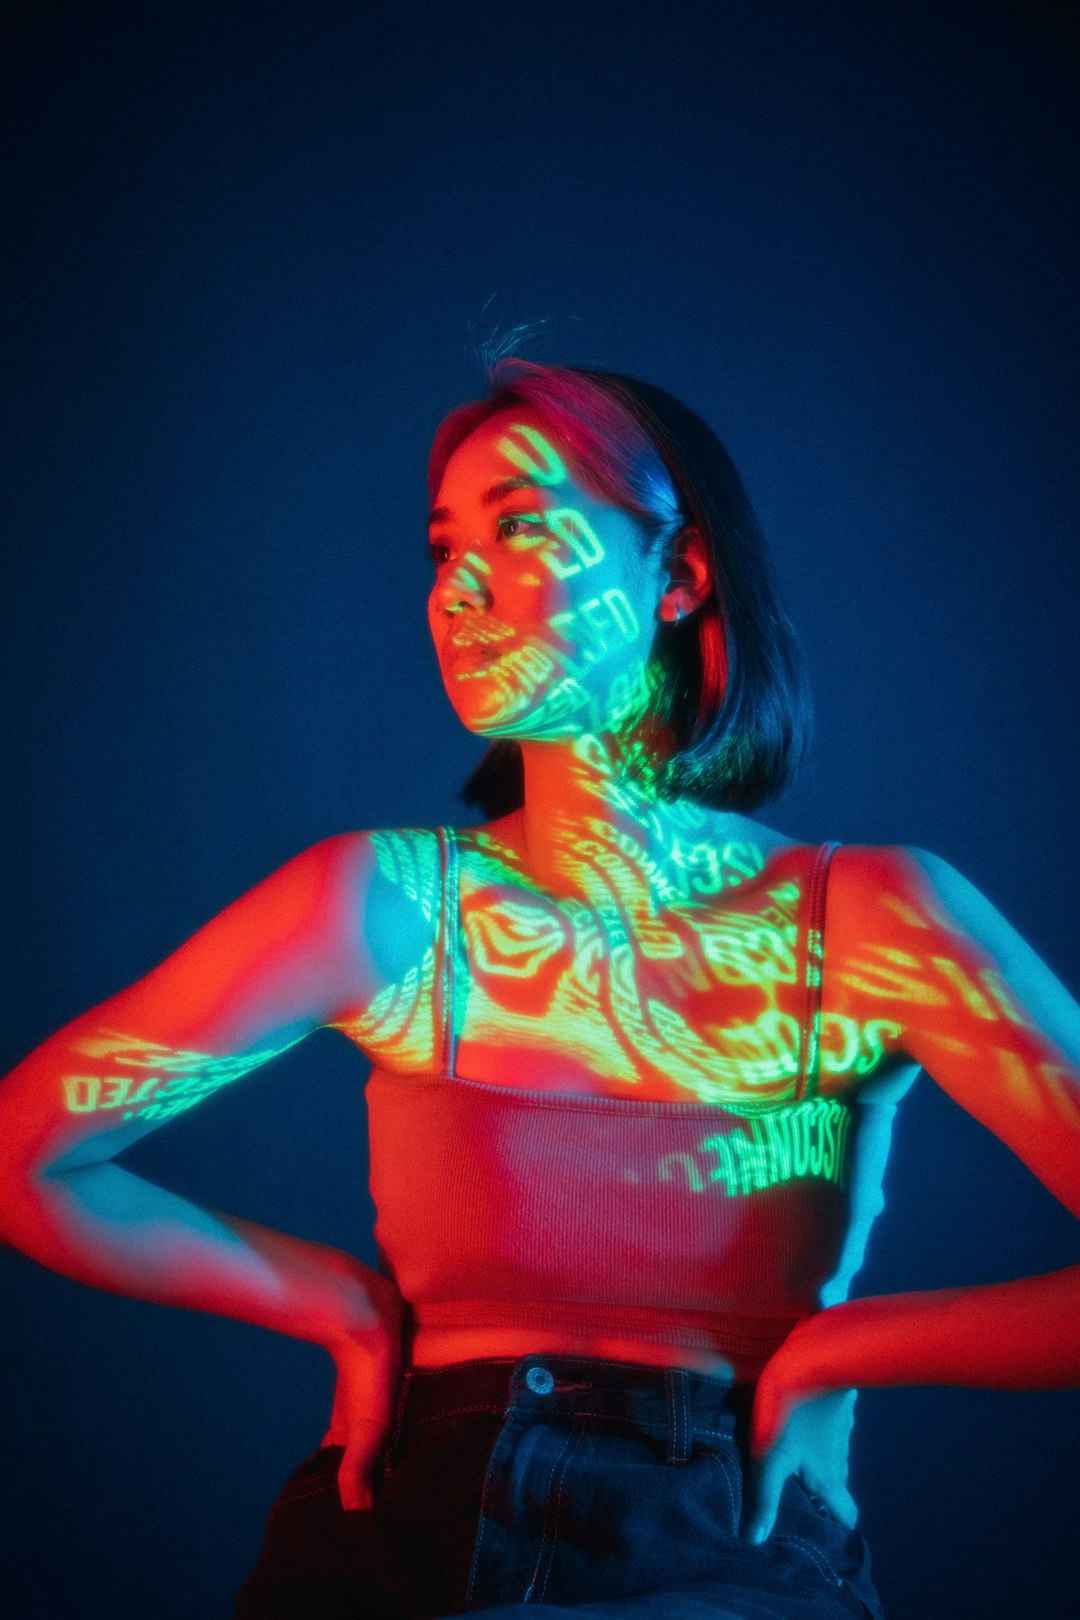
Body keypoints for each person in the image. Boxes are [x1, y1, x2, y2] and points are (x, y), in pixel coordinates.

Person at [1, 360, 1078, 1620]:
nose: (454, 588)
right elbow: (28, 1155)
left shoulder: (873, 924)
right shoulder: (389, 907)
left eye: (519, 524)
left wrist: (846, 1350)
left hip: (721, 1538)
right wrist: (339, 1304)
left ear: (679, 576)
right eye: (440, 544)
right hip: (405, 1524)